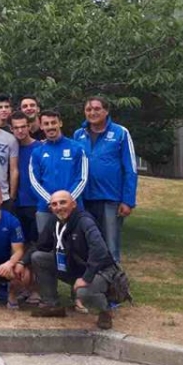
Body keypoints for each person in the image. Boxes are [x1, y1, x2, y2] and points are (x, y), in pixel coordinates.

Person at [30, 190, 119, 329]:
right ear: (50, 208)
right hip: (73, 265)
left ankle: (105, 311)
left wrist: (86, 278)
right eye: (54, 204)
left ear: (74, 204)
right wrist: (20, 262)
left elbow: (100, 250)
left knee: (83, 292)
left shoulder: (85, 221)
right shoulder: (54, 221)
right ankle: (51, 304)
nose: (59, 207)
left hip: (100, 271)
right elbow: (40, 245)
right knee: (38, 258)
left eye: (63, 202)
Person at [73, 96, 138, 262]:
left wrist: (128, 201)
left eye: (97, 109)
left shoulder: (120, 133)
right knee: (87, 243)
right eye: (88, 109)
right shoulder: (79, 134)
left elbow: (130, 169)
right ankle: (90, 277)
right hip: (85, 199)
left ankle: (113, 277)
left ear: (106, 111)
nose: (92, 113)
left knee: (110, 245)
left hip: (110, 198)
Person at [30, 110, 88, 235]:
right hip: (46, 208)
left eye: (53, 122)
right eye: (46, 124)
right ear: (41, 126)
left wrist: (67, 202)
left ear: (60, 123)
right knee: (46, 245)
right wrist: (52, 202)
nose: (50, 126)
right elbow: (34, 181)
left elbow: (82, 178)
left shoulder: (77, 148)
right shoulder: (37, 152)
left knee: (76, 244)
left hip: (73, 208)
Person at [10, 112, 43, 245]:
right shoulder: (10, 148)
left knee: (36, 243)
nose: (20, 130)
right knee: (18, 243)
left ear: (29, 127)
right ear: (11, 129)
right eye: (16, 128)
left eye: (23, 126)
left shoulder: (40, 147)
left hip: (36, 203)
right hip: (15, 203)